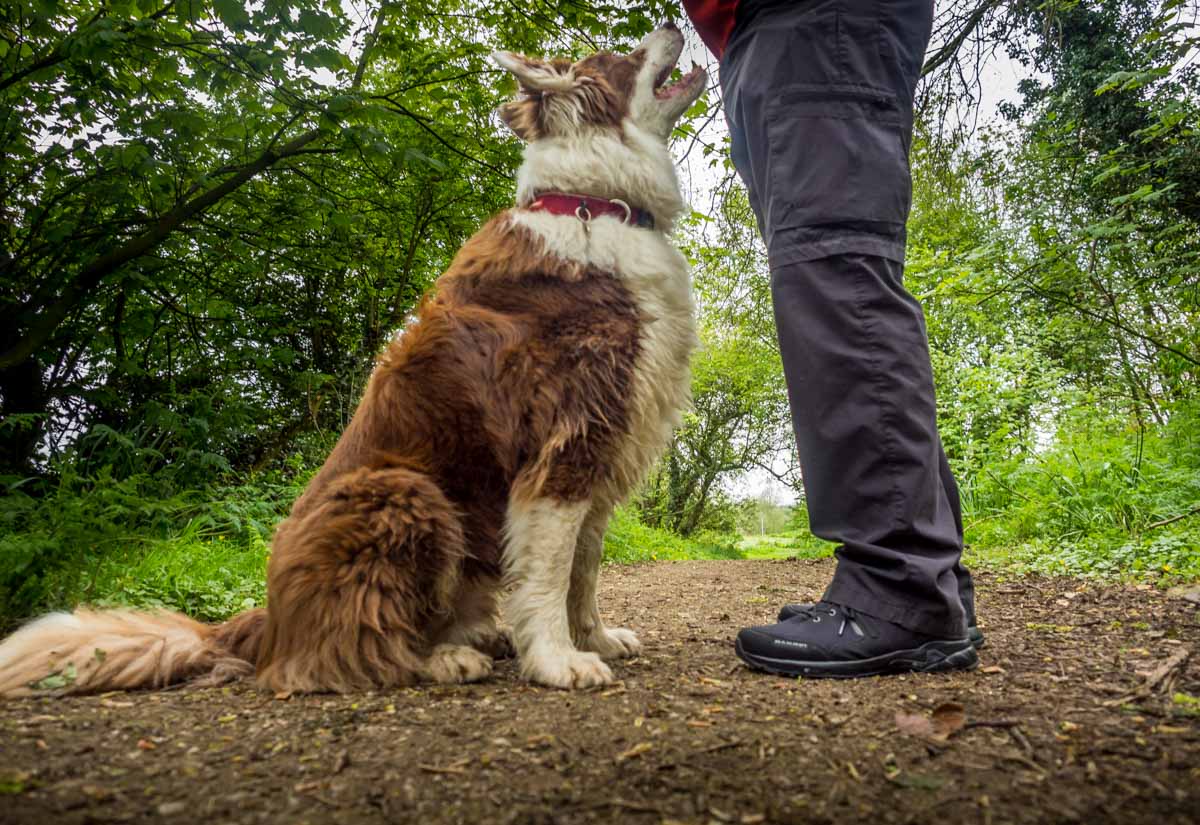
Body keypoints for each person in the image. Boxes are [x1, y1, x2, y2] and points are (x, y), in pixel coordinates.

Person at [680, 0, 983, 677]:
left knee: (837, 274)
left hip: (816, 22)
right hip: (778, 35)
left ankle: (898, 588)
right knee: (828, 271)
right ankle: (927, 584)